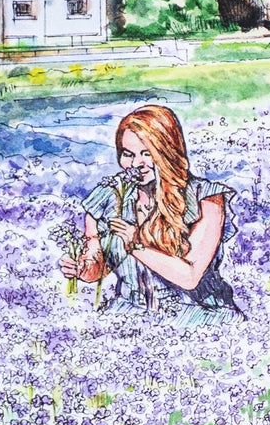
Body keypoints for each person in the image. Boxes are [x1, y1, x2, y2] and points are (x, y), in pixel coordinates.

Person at [59, 104, 240, 323]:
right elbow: (99, 267)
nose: (137, 164)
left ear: (168, 152)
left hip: (195, 313)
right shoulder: (108, 198)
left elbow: (190, 277)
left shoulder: (205, 198)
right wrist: (82, 268)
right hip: (130, 312)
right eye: (128, 154)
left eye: (147, 154)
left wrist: (135, 243)